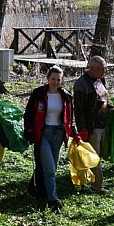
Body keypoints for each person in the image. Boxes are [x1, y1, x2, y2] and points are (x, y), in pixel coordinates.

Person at [23, 66, 79, 213]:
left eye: (58, 80)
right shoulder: (39, 94)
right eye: (53, 79)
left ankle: (34, 188)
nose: (55, 82)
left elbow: (69, 117)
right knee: (50, 169)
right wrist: (29, 131)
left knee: (51, 167)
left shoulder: (66, 96)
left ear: (62, 80)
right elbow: (28, 114)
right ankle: (53, 199)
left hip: (58, 135)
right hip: (43, 134)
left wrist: (73, 133)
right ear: (47, 78)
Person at [73, 56, 112, 194]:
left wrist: (112, 108)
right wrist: (83, 130)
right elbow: (78, 110)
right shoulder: (81, 84)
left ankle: (86, 180)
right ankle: (97, 186)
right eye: (102, 69)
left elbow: (104, 99)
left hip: (103, 125)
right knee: (94, 157)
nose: (104, 71)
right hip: (92, 127)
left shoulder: (100, 80)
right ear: (93, 68)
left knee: (98, 155)